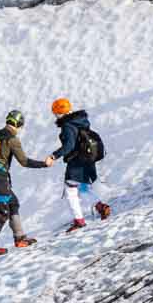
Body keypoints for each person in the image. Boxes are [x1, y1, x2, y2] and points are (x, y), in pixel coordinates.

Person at [43, 98, 111, 233]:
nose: (55, 116)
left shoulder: (68, 126)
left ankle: (79, 221)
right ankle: (101, 207)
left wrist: (53, 156)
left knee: (70, 191)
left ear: (59, 113)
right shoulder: (80, 121)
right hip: (88, 160)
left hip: (77, 162)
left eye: (55, 113)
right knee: (83, 188)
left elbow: (69, 146)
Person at [0, 109, 42, 259]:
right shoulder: (12, 139)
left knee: (13, 203)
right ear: (19, 124)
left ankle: (20, 238)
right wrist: (44, 164)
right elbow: (24, 161)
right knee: (2, 214)